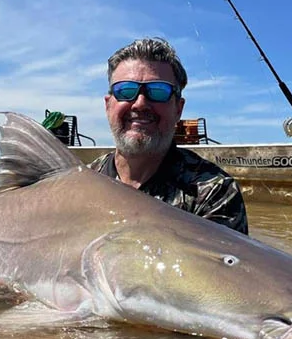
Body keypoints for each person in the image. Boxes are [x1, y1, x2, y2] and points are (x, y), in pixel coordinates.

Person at [88, 37, 249, 235]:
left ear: (178, 109)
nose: (140, 103)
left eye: (158, 91)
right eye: (125, 90)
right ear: (108, 105)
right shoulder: (82, 183)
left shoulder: (213, 192)